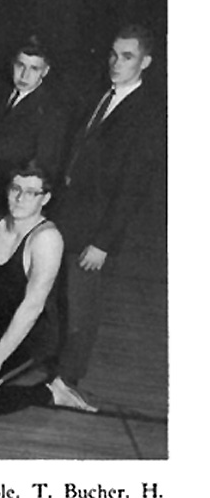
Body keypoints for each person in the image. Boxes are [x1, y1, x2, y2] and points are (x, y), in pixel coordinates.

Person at [0, 165, 95, 460]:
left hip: (34, 333)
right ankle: (49, 391)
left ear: (45, 198)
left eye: (30, 192)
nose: (20, 198)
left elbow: (32, 307)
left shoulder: (46, 239)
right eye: (15, 189)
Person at [53, 24, 162, 391]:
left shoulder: (147, 115)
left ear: (145, 62)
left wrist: (102, 242)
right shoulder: (101, 95)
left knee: (81, 307)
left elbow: (133, 188)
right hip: (69, 214)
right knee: (58, 299)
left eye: (127, 57)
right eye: (114, 55)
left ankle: (67, 382)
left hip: (95, 228)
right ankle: (50, 367)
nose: (116, 62)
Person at [0, 38, 68, 217]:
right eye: (20, 65)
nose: (24, 75)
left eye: (34, 69)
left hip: (10, 200)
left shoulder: (50, 112)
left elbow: (43, 166)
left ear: (45, 71)